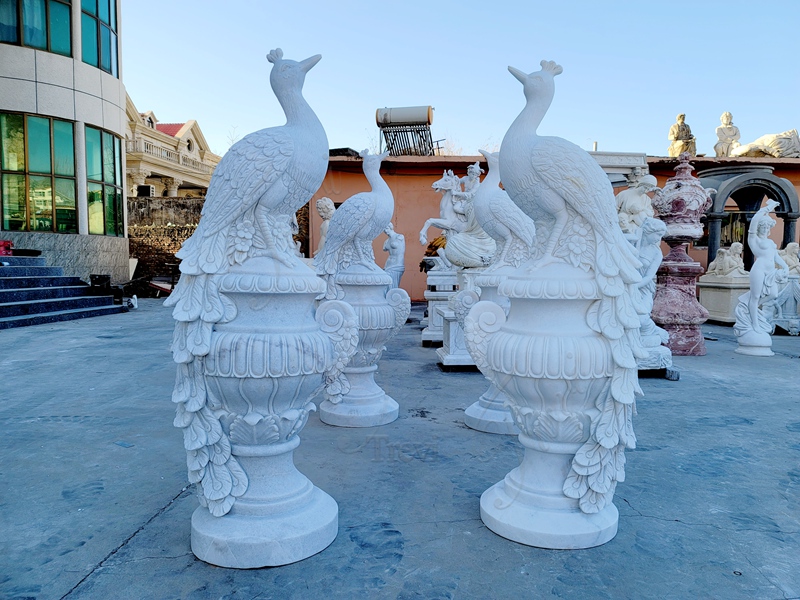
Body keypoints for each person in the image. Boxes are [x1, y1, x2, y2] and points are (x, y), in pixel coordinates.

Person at [746, 200, 789, 332]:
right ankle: (755, 324)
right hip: (759, 269)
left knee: (773, 294)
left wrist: (785, 266)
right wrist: (767, 208)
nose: (765, 229)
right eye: (762, 226)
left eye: (767, 227)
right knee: (755, 296)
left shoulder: (770, 242)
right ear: (758, 228)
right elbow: (753, 222)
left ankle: (749, 309)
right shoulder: (754, 239)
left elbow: (776, 256)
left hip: (771, 272)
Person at [382, 222, 406, 289]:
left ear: (391, 227)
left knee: (393, 285)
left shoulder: (399, 237)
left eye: (386, 228)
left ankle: (392, 297)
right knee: (387, 284)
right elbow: (384, 248)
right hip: (388, 265)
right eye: (384, 230)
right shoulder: (386, 241)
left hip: (397, 264)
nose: (386, 231)